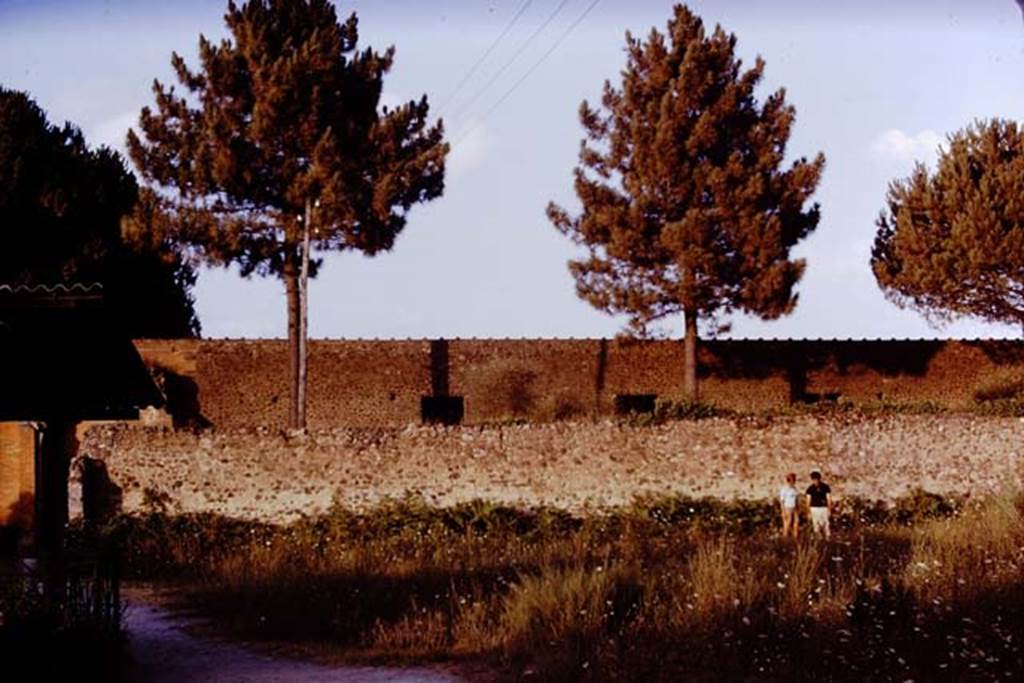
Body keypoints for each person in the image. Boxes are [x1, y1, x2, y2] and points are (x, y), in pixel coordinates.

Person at [805, 471, 832, 539]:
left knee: (826, 524)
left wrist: (829, 509)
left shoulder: (825, 487)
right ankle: (818, 539)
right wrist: (808, 512)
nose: (815, 481)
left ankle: (827, 538)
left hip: (823, 508)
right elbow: (808, 501)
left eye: (816, 479)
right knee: (816, 524)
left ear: (819, 479)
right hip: (814, 508)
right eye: (814, 480)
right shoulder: (810, 489)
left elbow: (828, 499)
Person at [778, 472, 800, 538]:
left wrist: (798, 508)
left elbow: (796, 499)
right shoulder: (784, 489)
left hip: (794, 507)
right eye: (793, 480)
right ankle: (785, 537)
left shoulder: (794, 489)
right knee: (787, 523)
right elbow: (782, 501)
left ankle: (795, 538)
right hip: (787, 507)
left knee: (796, 522)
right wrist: (783, 511)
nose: (794, 481)